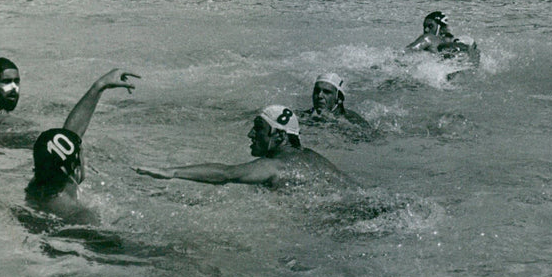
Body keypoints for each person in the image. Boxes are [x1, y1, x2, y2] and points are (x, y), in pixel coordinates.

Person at [134, 105, 354, 189]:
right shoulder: (311, 157)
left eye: (258, 129)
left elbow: (226, 174)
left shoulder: (273, 166)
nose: (250, 134)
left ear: (278, 136)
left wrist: (172, 172)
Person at [25, 69, 140, 221]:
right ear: (76, 170)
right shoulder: (81, 217)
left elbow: (69, 137)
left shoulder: (37, 188)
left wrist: (99, 86)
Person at [300, 73, 370, 127]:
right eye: (317, 91)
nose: (319, 96)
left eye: (326, 92)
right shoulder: (303, 116)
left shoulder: (353, 122)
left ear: (339, 98)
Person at [407, 11, 479, 61]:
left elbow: (406, 52)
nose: (426, 29)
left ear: (441, 27)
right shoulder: (458, 42)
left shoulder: (428, 38)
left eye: (430, 26)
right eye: (424, 26)